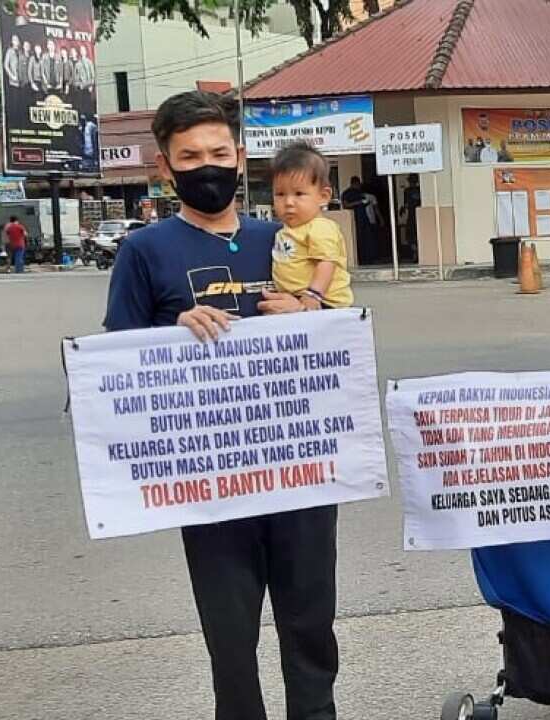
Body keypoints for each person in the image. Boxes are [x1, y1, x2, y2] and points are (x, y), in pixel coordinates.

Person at [103, 90, 339, 720]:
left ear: (239, 156)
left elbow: (344, 336)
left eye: (218, 152)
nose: (206, 165)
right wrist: (172, 330)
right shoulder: (144, 252)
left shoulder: (286, 237)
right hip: (212, 481)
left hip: (300, 469)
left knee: (311, 624)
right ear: (165, 167)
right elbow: (115, 363)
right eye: (189, 156)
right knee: (231, 638)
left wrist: (310, 308)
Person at [269, 142, 353, 309]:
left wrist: (313, 294)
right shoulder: (287, 229)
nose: (288, 202)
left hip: (323, 302)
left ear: (323, 196)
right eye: (280, 194)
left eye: (299, 194)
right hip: (297, 298)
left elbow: (326, 263)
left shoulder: (320, 228)